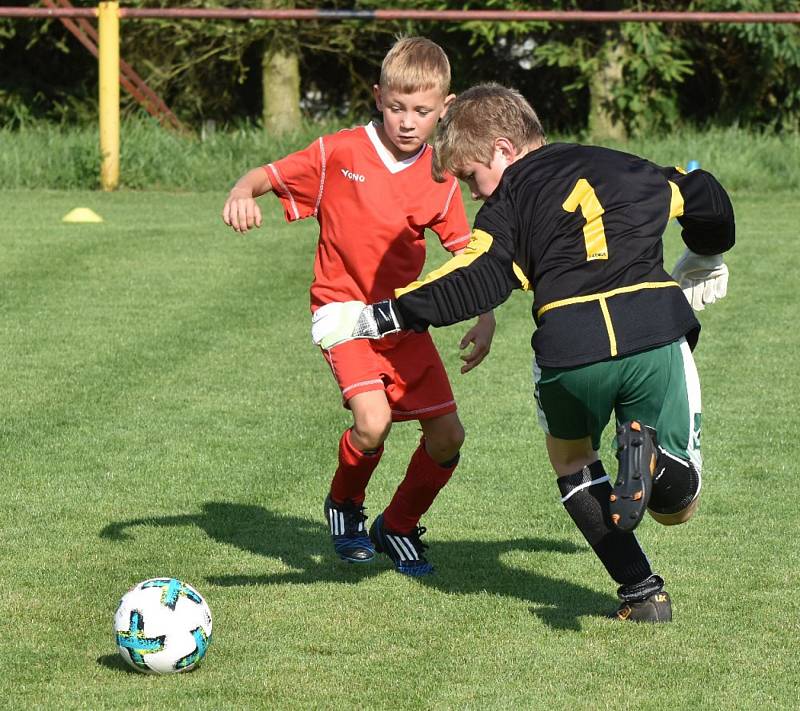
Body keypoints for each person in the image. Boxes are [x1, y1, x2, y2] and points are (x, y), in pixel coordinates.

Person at [313, 83, 735, 620]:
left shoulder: (509, 200)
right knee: (679, 506)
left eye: (470, 176)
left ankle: (642, 594)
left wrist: (374, 316)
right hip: (652, 326)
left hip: (568, 347)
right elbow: (706, 193)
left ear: (502, 150)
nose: (475, 193)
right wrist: (706, 251)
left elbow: (474, 278)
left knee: (573, 461)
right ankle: (652, 465)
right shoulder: (626, 164)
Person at [222, 39, 495, 576]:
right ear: (378, 98)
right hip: (341, 314)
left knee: (448, 438)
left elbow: (470, 254)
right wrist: (241, 191)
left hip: (401, 323)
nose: (409, 122)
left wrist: (486, 316)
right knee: (373, 422)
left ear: (445, 107)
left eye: (422, 111)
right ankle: (344, 505)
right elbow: (268, 176)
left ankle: (396, 525)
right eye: (397, 108)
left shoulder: (441, 175)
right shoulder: (339, 153)